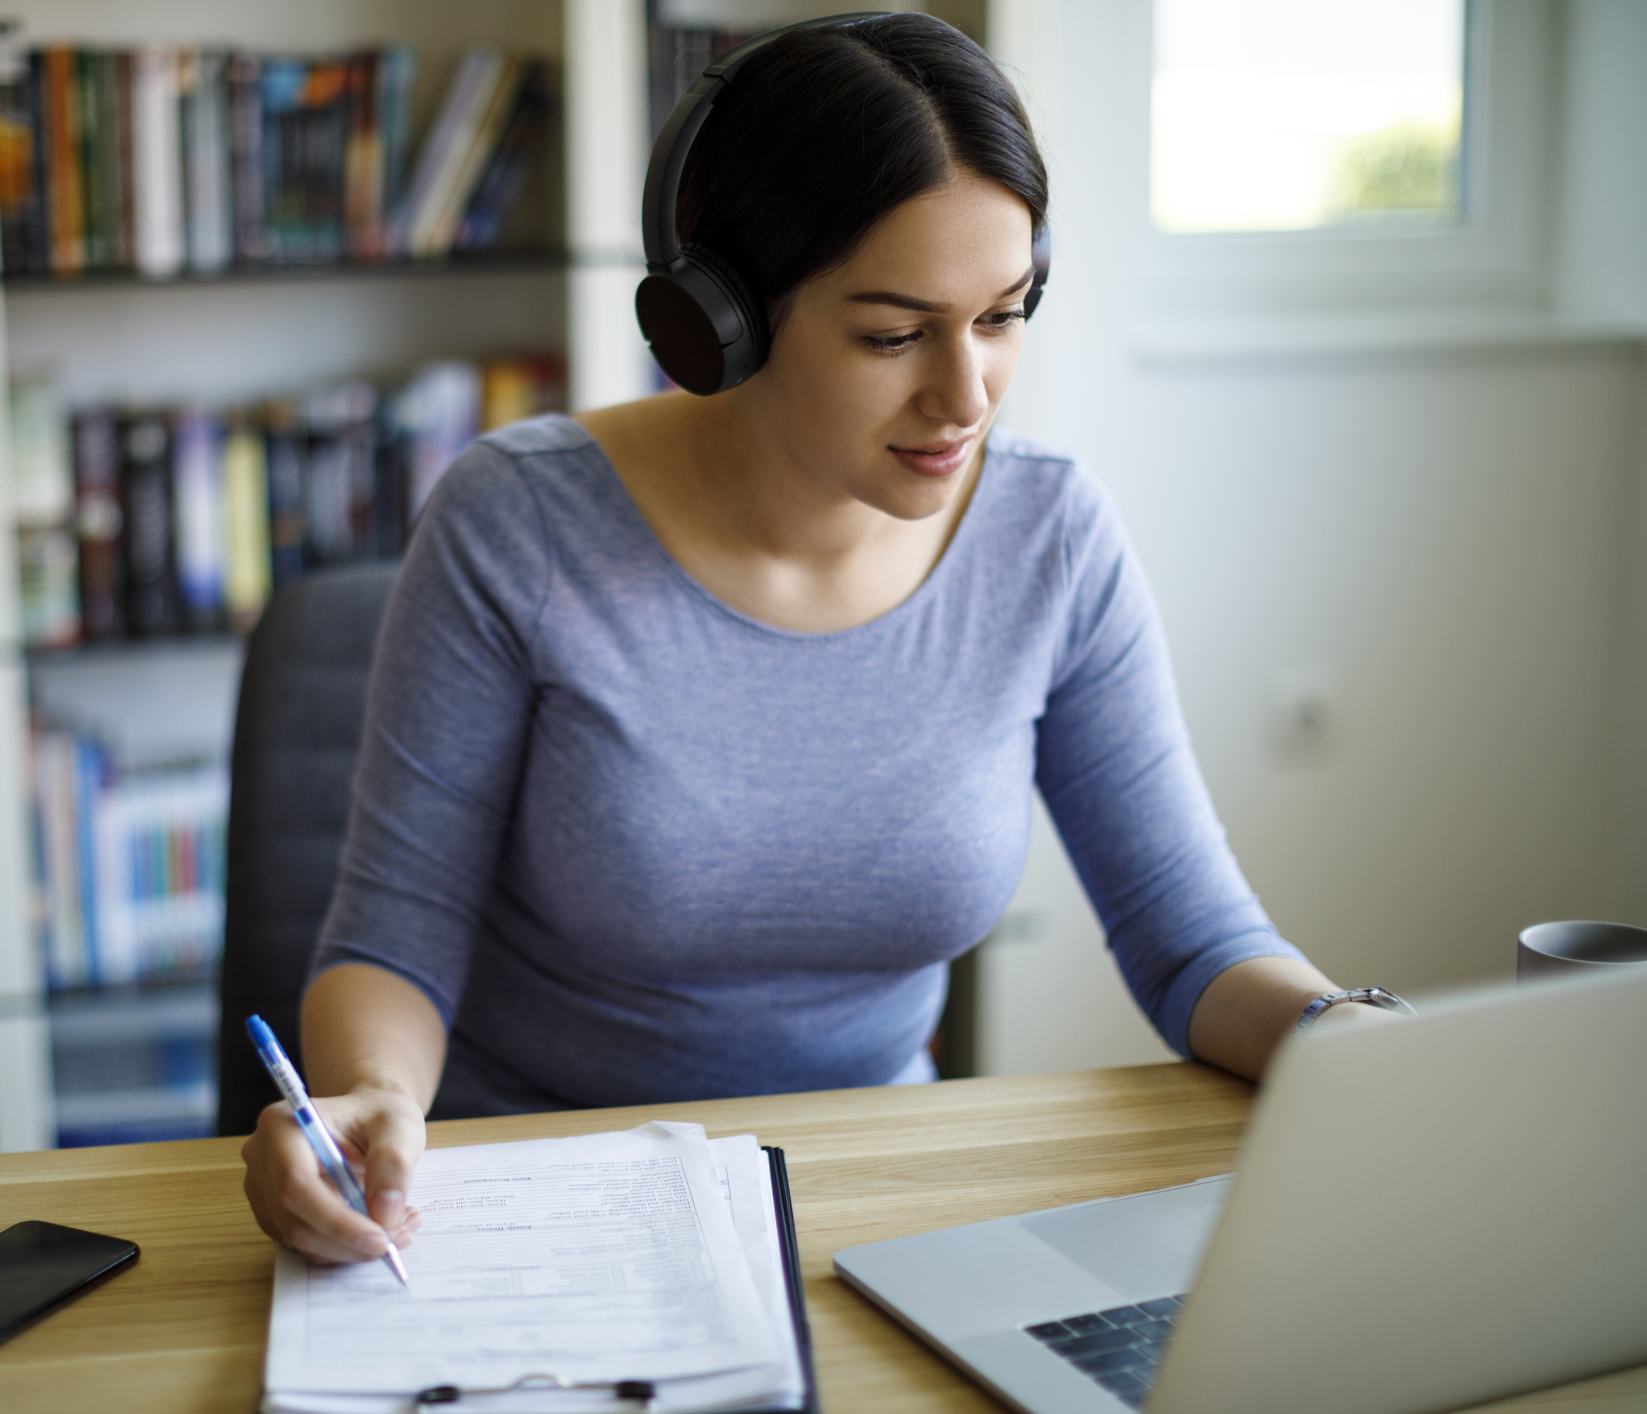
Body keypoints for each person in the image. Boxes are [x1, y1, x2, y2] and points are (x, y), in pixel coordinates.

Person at [243, 13, 1400, 1269]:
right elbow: (393, 937)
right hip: (535, 1204)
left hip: (880, 1209)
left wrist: (1349, 1038)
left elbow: (1192, 940)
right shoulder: (516, 523)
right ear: (722, 317)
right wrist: (370, 1094)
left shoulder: (1051, 535)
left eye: (1004, 315)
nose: (966, 397)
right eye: (895, 334)